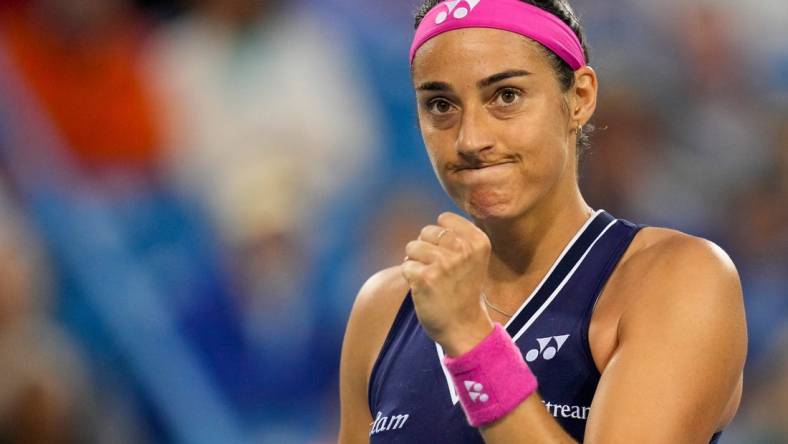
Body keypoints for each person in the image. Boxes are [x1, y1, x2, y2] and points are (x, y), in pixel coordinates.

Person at [338, 0, 747, 442]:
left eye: (506, 96)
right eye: (440, 105)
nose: (471, 139)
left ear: (580, 98)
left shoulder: (677, 278)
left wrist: (471, 340)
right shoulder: (384, 308)